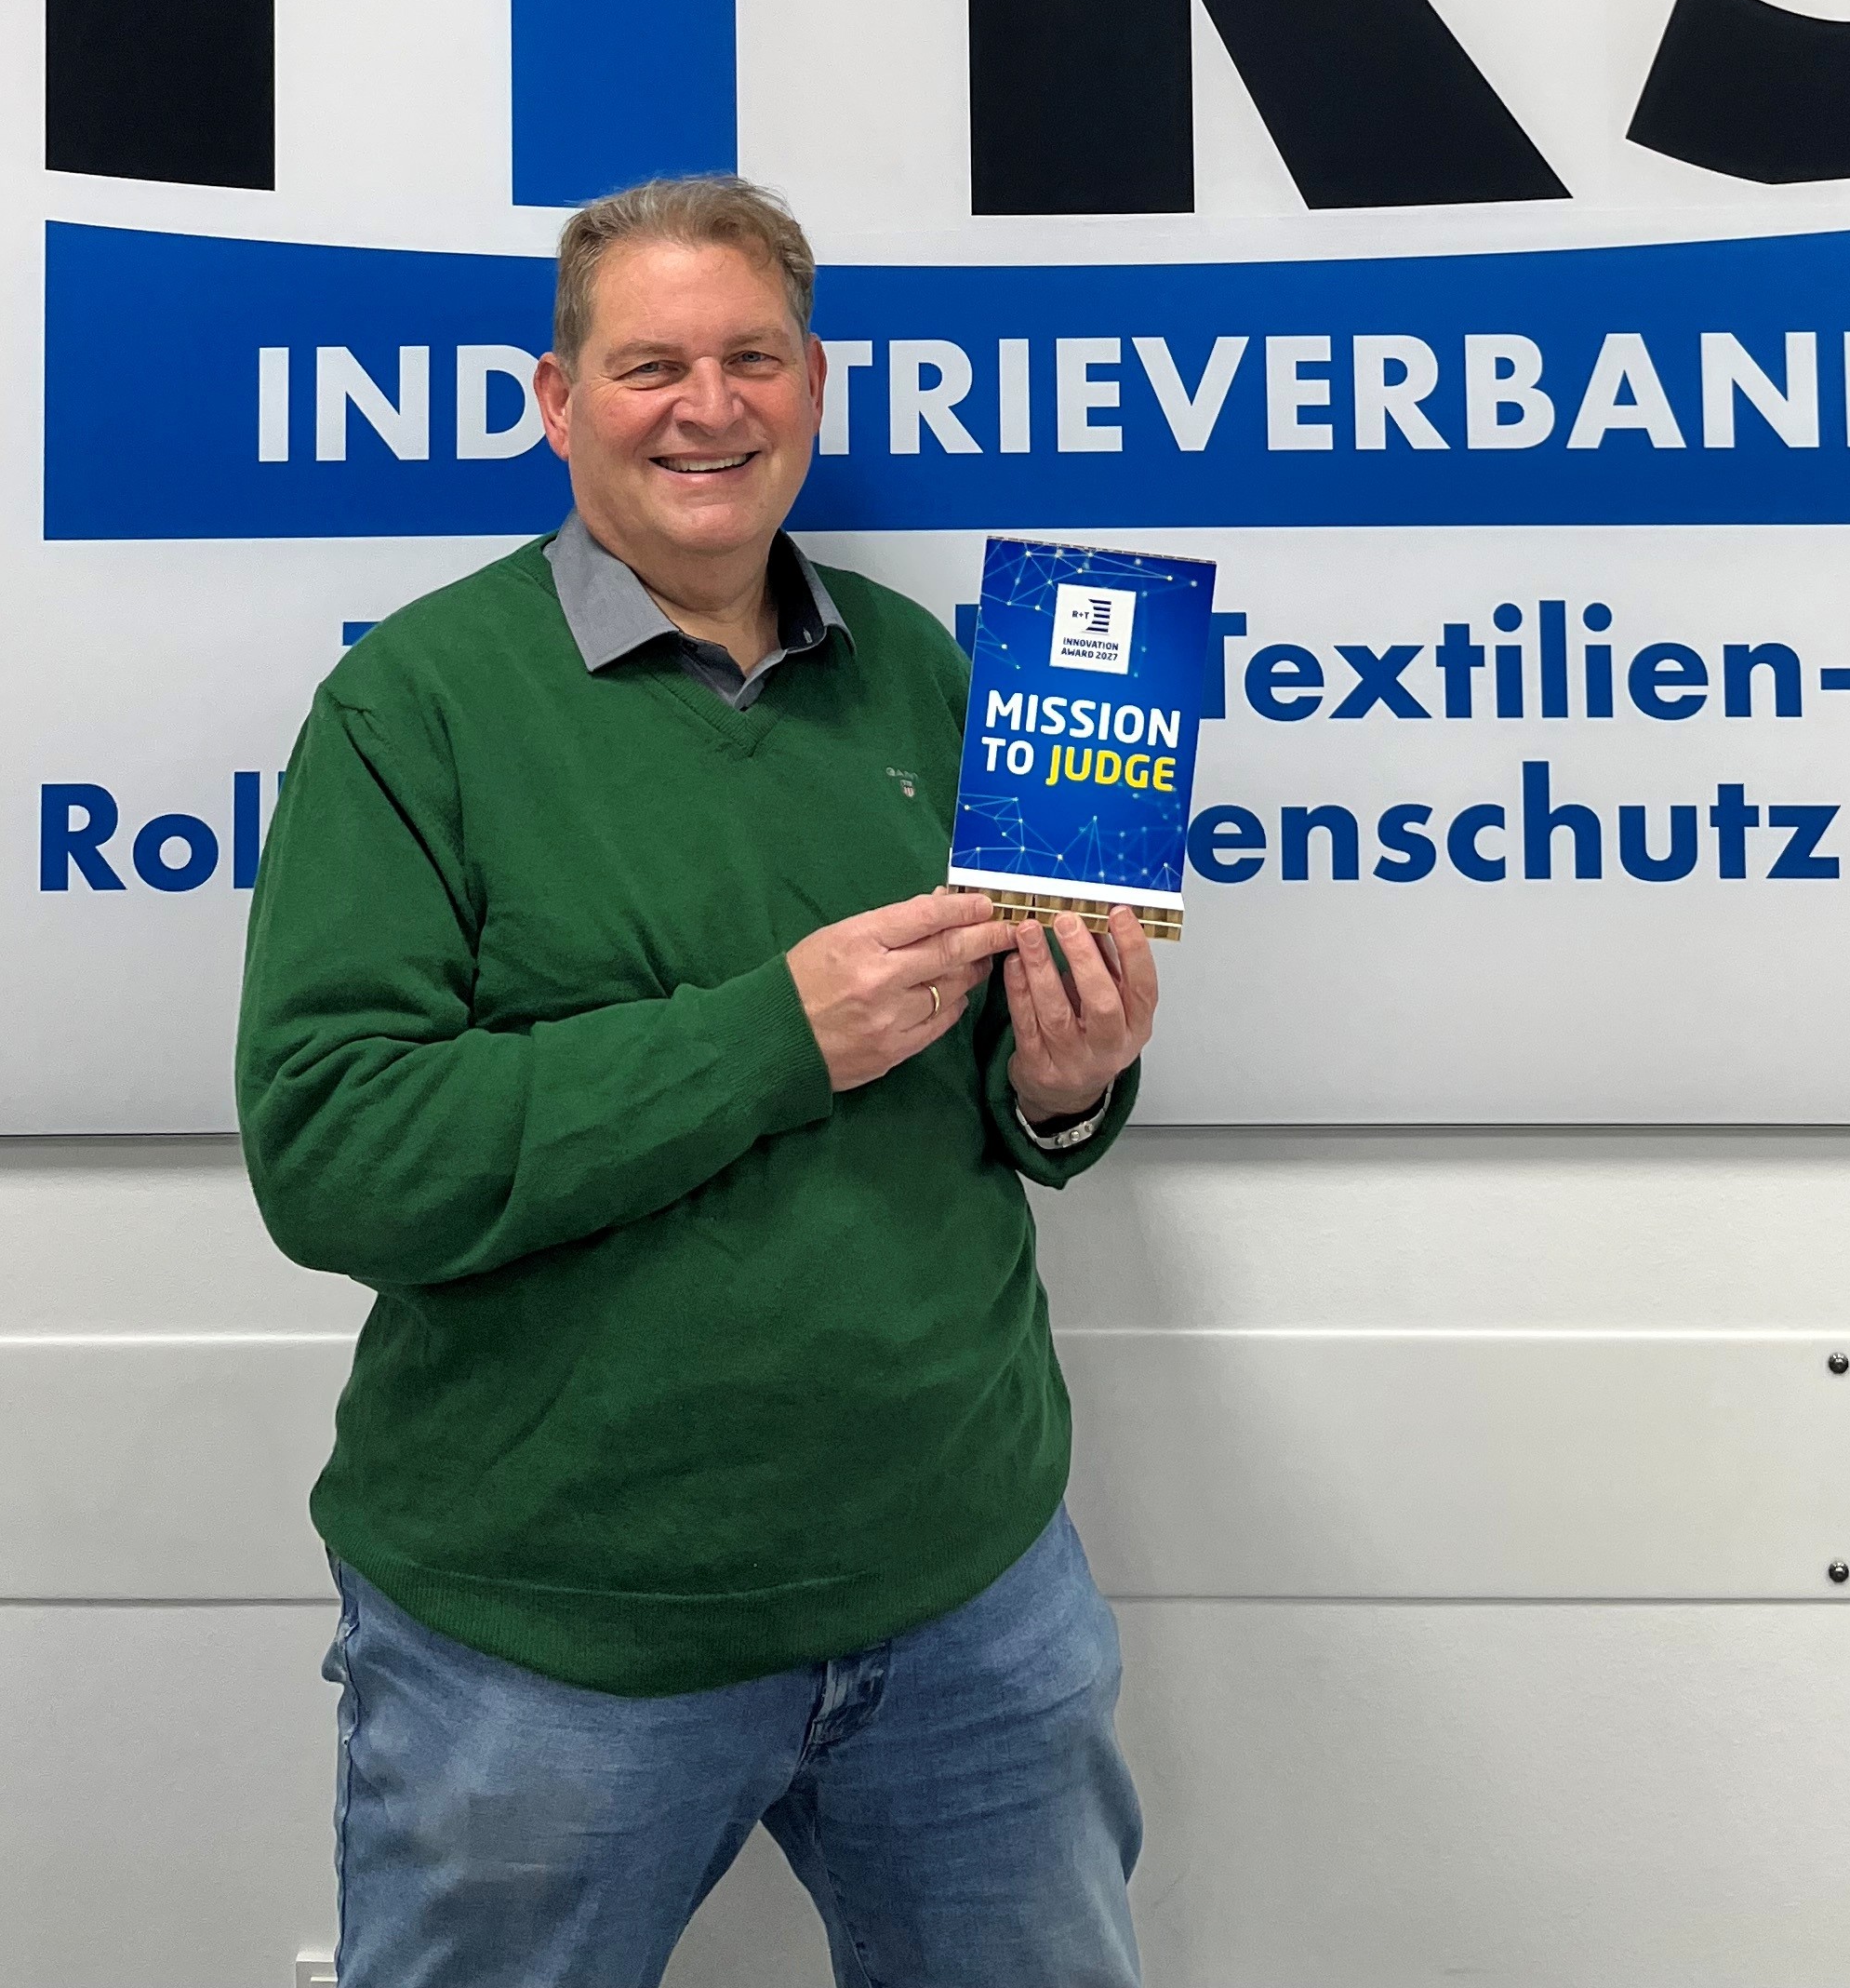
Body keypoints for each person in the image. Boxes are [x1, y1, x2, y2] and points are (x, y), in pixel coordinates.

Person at [238, 171, 1160, 1988]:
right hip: (553, 1640)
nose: (708, 406)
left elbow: (996, 1094)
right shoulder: (416, 706)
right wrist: (770, 1035)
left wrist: (1067, 1087)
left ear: (815, 385)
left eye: (752, 358)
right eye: (650, 365)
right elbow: (338, 1154)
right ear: (556, 399)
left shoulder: (926, 671)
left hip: (968, 1593)